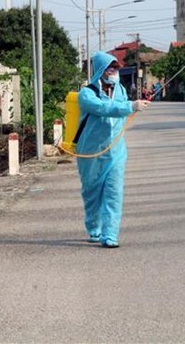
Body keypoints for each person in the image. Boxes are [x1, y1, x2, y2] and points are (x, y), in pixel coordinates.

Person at [76, 51, 149, 248]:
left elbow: (121, 110)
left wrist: (132, 105)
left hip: (116, 151)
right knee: (91, 192)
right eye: (110, 68)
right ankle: (94, 227)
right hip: (90, 152)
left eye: (116, 68)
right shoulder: (87, 93)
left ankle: (110, 234)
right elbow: (103, 108)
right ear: (100, 70)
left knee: (113, 192)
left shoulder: (121, 91)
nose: (114, 71)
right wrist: (130, 106)